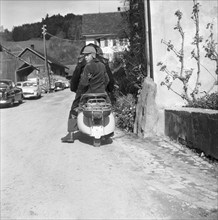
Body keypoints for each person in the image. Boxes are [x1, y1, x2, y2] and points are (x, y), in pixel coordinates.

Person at [61, 45, 110, 143]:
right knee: (108, 107)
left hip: (87, 92)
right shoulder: (103, 63)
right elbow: (108, 79)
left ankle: (71, 134)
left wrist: (78, 90)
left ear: (92, 55)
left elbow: (82, 82)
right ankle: (107, 133)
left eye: (86, 55)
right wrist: (104, 88)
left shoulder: (86, 64)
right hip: (102, 93)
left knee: (74, 108)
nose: (85, 57)